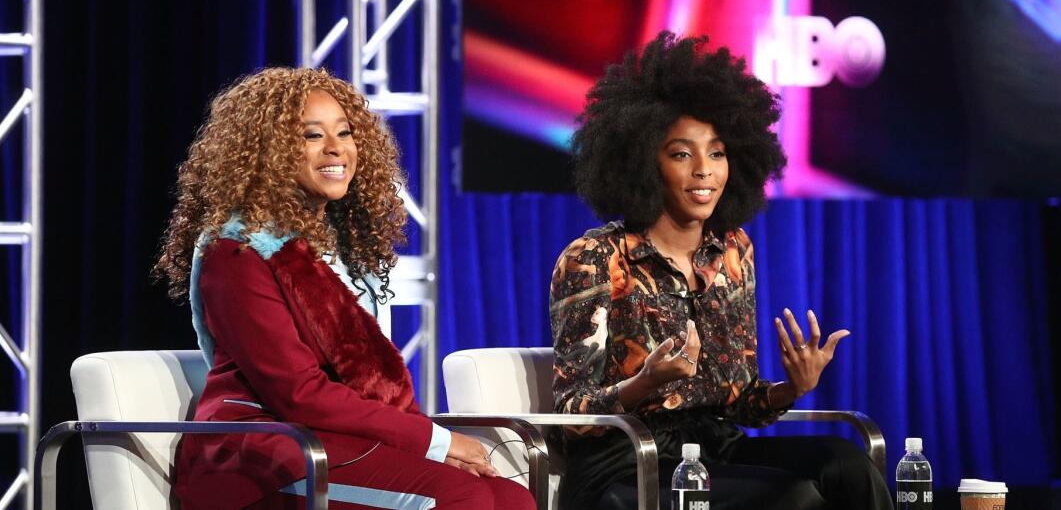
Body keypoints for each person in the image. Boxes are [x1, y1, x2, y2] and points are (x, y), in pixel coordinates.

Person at [154, 67, 534, 510]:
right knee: (460, 498)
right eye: (311, 135)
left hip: (338, 438)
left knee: (509, 498)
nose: (336, 149)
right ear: (267, 152)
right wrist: (434, 441)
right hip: (263, 451)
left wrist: (427, 444)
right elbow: (298, 394)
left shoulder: (346, 251)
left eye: (345, 132)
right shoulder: (237, 252)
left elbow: (369, 384)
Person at [551, 32, 893, 509]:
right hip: (626, 462)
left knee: (846, 464)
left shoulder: (733, 251)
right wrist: (644, 383)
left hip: (714, 448)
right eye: (681, 153)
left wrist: (791, 389)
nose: (704, 171)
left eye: (716, 152)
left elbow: (739, 403)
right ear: (641, 161)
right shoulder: (593, 258)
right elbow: (570, 417)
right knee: (790, 497)